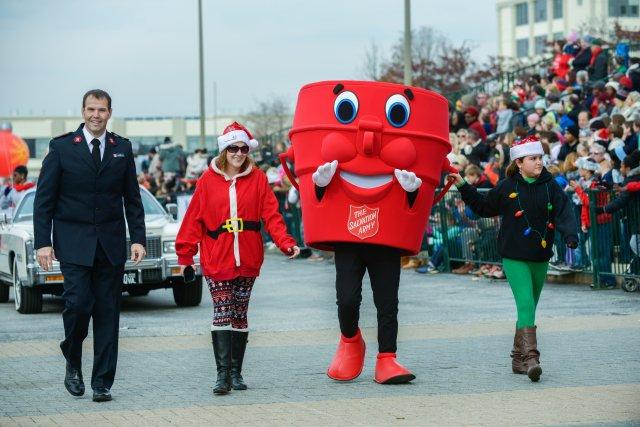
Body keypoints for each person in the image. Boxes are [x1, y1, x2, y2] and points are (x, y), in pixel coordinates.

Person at [33, 89, 146, 402]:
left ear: (110, 113)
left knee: (108, 314)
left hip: (110, 246)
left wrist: (137, 237)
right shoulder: (62, 148)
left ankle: (102, 382)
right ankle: (72, 356)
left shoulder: (121, 148)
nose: (96, 115)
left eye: (102, 110)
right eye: (91, 109)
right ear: (83, 111)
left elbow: (132, 198)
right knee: (78, 304)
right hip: (73, 244)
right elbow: (44, 201)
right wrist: (43, 243)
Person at [175, 121, 300, 396]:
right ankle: (222, 376)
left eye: (243, 148)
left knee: (240, 313)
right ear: (224, 150)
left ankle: (236, 372)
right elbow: (193, 220)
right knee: (222, 312)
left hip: (248, 256)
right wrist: (185, 255)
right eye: (233, 148)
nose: (238, 153)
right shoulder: (207, 180)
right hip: (217, 256)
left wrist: (286, 242)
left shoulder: (257, 179)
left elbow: (272, 216)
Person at [448, 135, 578, 383]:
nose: (539, 162)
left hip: (540, 256)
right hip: (514, 257)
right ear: (519, 162)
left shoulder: (551, 186)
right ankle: (531, 359)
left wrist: (570, 235)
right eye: (533, 158)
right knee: (527, 305)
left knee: (527, 309)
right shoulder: (507, 186)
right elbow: (484, 207)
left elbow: (564, 212)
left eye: (540, 158)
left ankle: (517, 359)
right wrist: (463, 184)